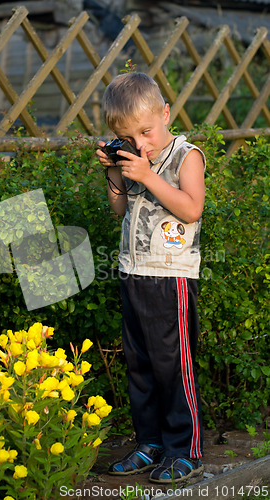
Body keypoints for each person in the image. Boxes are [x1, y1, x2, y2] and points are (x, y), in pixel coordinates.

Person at [96, 72, 205, 485]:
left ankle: (186, 450)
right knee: (140, 366)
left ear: (165, 113)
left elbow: (191, 209)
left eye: (146, 131)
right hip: (132, 272)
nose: (141, 144)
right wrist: (116, 173)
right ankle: (151, 442)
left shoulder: (184, 155)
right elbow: (120, 211)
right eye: (128, 137)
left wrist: (146, 175)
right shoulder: (136, 161)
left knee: (172, 366)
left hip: (170, 279)